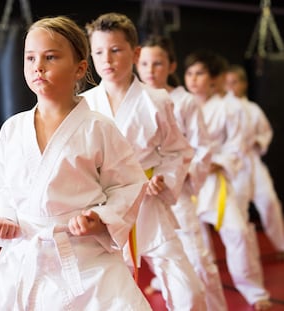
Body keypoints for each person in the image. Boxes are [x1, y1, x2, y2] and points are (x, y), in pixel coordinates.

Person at [0, 16, 153, 310]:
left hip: (84, 257)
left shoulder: (99, 127)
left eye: (50, 57)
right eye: (30, 58)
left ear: (80, 68)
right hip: (24, 251)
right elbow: (2, 184)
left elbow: (128, 184)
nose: (37, 66)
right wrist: (5, 217)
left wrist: (100, 218)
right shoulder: (13, 128)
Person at [81, 13, 206, 311]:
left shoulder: (158, 100)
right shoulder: (83, 104)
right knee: (111, 296)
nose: (106, 59)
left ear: (135, 53)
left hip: (148, 203)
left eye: (115, 50)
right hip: (103, 209)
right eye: (98, 52)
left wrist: (164, 177)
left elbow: (178, 151)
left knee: (187, 289)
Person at [136, 35, 227, 311]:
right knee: (145, 258)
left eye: (158, 63)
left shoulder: (184, 101)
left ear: (171, 65)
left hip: (175, 191)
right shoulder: (132, 99)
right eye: (144, 63)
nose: (150, 70)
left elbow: (202, 147)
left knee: (198, 259)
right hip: (140, 192)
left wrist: (178, 177)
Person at [184, 49, 271, 311]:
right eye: (189, 73)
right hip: (185, 183)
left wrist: (215, 163)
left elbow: (237, 147)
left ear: (212, 78)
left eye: (200, 73)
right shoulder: (178, 104)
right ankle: (200, 295)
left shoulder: (228, 108)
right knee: (189, 245)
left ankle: (254, 291)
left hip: (215, 182)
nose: (193, 79)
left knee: (238, 232)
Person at [225, 64, 284, 254]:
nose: (231, 87)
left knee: (269, 201)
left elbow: (265, 132)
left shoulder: (253, 109)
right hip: (233, 164)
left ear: (244, 84)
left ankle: (281, 244)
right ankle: (243, 253)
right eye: (227, 83)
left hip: (253, 162)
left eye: (235, 82)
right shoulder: (221, 108)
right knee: (238, 209)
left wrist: (258, 142)